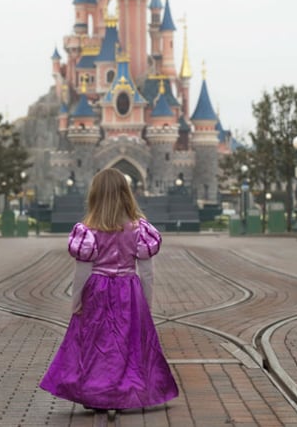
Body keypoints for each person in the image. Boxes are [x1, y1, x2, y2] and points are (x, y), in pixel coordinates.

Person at [39, 168, 178, 412]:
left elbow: (82, 272)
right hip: (128, 289)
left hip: (97, 289)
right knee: (127, 342)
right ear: (126, 194)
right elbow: (147, 272)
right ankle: (124, 392)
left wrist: (76, 302)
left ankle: (96, 392)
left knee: (95, 343)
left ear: (95, 195)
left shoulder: (88, 231)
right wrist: (146, 302)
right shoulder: (139, 230)